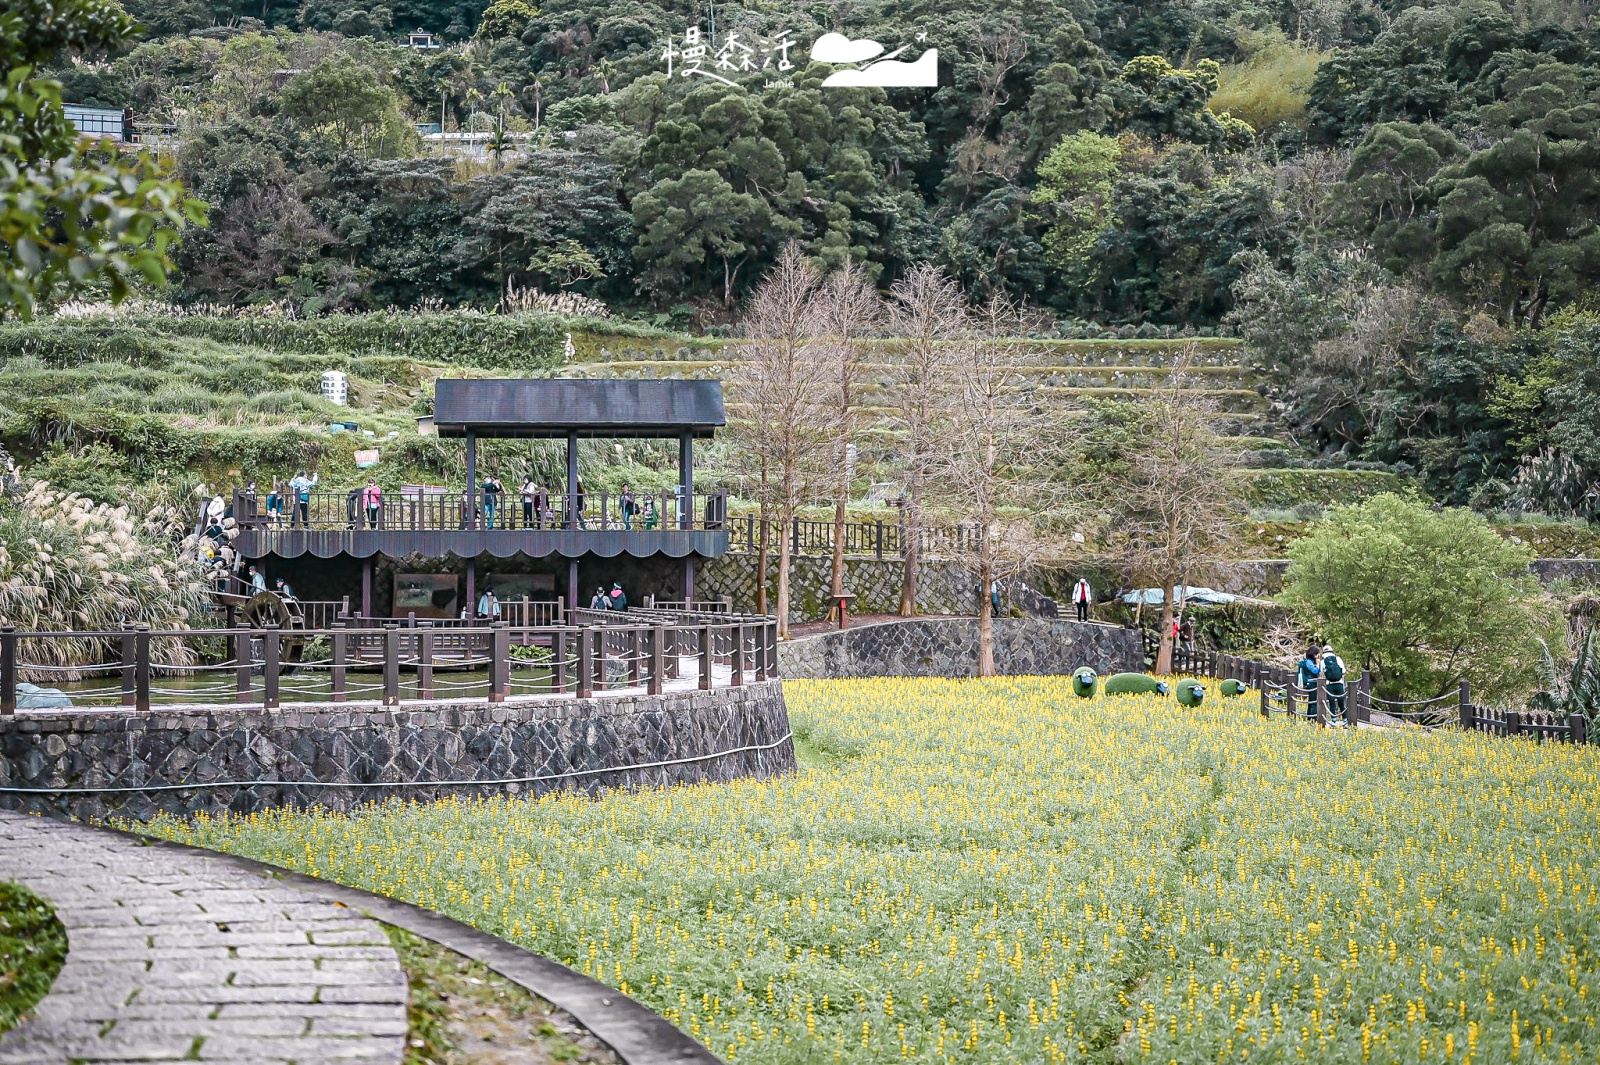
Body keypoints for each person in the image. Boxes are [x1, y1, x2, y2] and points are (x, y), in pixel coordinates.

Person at [1322, 645, 1349, 723]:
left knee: (1332, 702)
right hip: (1339, 683)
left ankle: (1333, 720)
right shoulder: (1338, 659)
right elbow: (1343, 671)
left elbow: (1321, 672)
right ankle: (1345, 719)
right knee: (1341, 702)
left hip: (1329, 684)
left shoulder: (1323, 661)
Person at [1295, 644, 1321, 709]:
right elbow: (1315, 671)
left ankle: (1310, 717)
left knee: (1312, 700)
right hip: (1311, 682)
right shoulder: (1309, 662)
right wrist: (1318, 664)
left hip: (1311, 682)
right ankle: (1312, 716)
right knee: (1313, 700)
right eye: (1317, 654)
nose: (1318, 655)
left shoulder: (1309, 661)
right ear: (1314, 654)